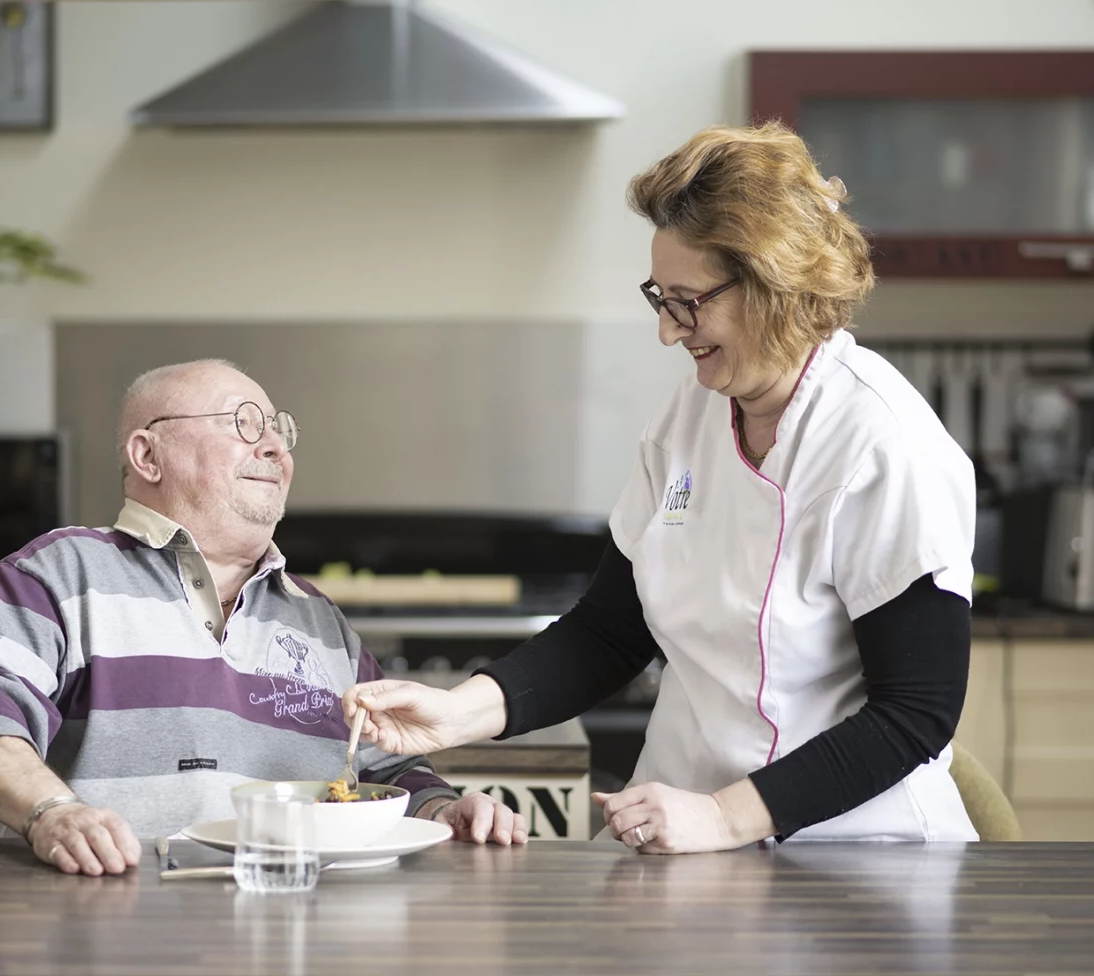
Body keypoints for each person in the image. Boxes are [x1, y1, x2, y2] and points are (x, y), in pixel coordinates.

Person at [343, 122, 979, 852]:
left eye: (690, 301)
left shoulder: (881, 440)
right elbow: (610, 630)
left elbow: (916, 712)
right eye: (660, 298)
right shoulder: (693, 415)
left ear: (773, 283)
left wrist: (724, 815)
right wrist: (459, 713)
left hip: (851, 859)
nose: (670, 332)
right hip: (681, 845)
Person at [0, 360, 526, 876]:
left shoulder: (320, 619)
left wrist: (443, 809)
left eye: (280, 431)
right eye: (244, 424)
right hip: (106, 932)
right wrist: (50, 810)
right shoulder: (63, 571)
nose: (275, 448)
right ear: (147, 455)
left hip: (298, 937)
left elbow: (384, 769)